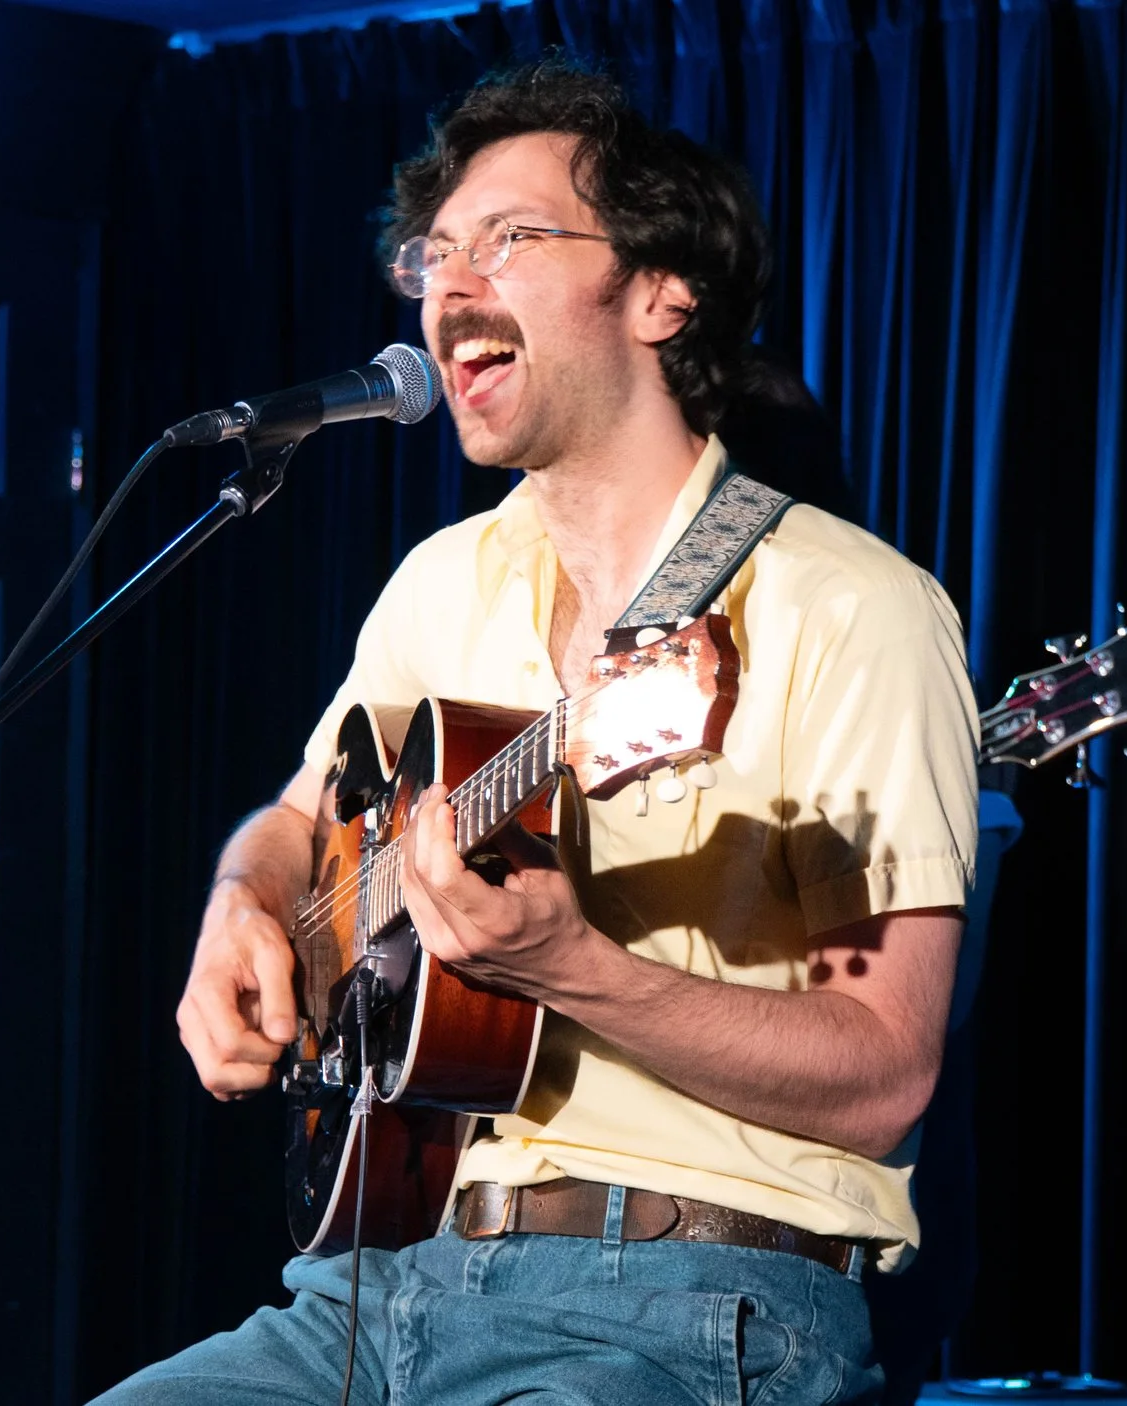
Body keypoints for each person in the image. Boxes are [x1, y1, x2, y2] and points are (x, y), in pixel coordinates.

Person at [102, 57, 979, 1405]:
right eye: (432, 255)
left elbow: (883, 1071)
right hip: (375, 1285)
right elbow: (297, 822)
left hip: (686, 1302)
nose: (452, 287)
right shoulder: (444, 583)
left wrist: (576, 966)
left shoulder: (850, 610)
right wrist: (242, 902)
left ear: (660, 291)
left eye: (507, 240)